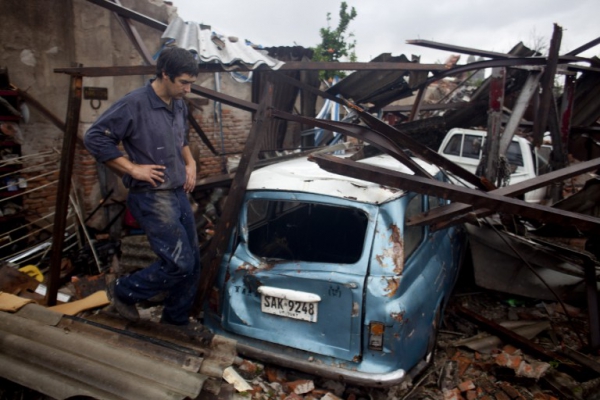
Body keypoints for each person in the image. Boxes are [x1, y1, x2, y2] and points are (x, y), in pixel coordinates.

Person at [84, 47, 201, 325]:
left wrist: (190, 163)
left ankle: (175, 321)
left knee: (193, 263)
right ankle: (123, 292)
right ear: (164, 74)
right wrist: (133, 168)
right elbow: (95, 138)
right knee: (178, 263)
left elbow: (180, 138)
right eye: (183, 82)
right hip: (151, 196)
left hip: (177, 191)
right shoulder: (134, 103)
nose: (187, 89)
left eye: (191, 83)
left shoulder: (178, 102)